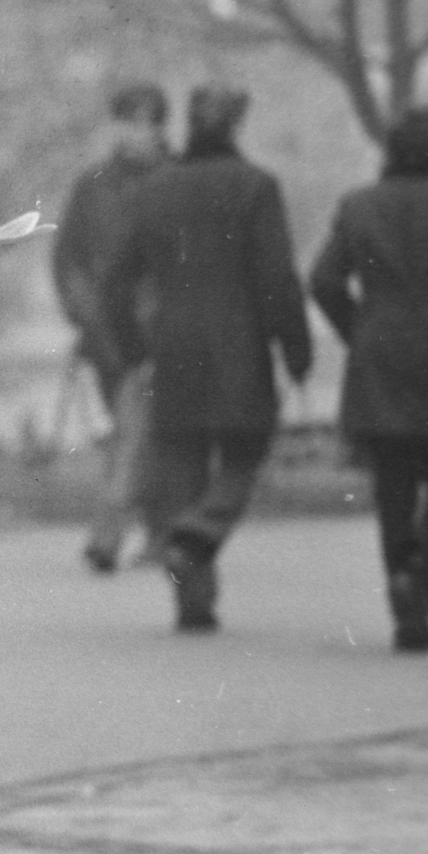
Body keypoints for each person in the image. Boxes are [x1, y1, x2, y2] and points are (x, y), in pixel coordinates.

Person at [103, 83, 311, 632]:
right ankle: (203, 530)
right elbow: (276, 281)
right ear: (236, 126)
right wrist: (296, 349)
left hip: (170, 350)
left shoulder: (152, 191)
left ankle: (193, 602)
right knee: (246, 451)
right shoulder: (256, 187)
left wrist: (132, 350)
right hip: (239, 350)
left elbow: (112, 283)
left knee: (179, 470)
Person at [309, 107, 428, 652]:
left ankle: (407, 610)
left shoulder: (358, 205)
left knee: (393, 485)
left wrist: (358, 330)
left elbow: (322, 280)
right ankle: (420, 561)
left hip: (380, 352)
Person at [52, 82, 169, 572]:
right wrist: (84, 313)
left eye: (148, 121)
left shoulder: (179, 177)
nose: (138, 132)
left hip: (161, 332)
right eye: (128, 120)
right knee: (133, 430)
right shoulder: (92, 186)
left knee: (144, 431)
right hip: (106, 334)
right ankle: (155, 531)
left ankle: (130, 533)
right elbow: (69, 258)